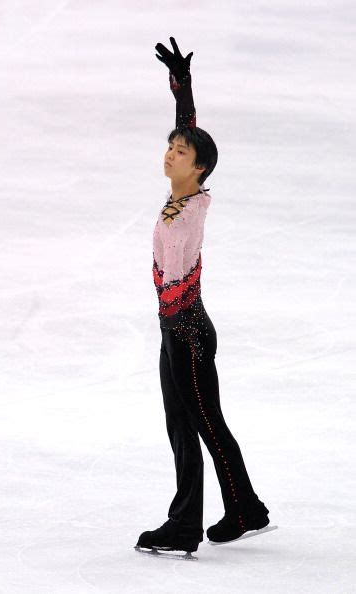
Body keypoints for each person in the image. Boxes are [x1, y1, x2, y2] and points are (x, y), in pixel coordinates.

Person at [135, 37, 270, 556]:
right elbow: (190, 127)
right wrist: (182, 86)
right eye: (170, 146)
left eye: (181, 151)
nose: (170, 153)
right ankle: (185, 521)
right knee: (181, 427)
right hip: (176, 331)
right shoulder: (179, 195)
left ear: (200, 170)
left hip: (188, 332)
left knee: (207, 423)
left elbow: (174, 287)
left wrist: (172, 327)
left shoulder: (190, 209)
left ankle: (244, 506)